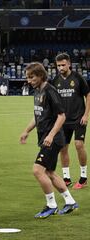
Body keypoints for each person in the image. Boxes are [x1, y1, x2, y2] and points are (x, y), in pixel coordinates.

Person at [20, 62, 78, 219]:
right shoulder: (37, 91)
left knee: (37, 170)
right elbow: (38, 115)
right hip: (46, 138)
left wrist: (51, 135)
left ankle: (51, 205)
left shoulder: (50, 90)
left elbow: (61, 116)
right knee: (49, 172)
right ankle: (70, 201)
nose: (29, 80)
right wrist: (26, 131)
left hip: (53, 139)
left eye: (31, 77)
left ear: (40, 76)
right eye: (27, 77)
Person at [51, 53, 90, 189]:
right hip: (63, 120)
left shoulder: (78, 78)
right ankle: (66, 178)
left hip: (79, 118)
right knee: (63, 148)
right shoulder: (55, 80)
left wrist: (86, 115)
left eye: (63, 65)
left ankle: (83, 178)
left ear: (69, 64)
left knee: (79, 145)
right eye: (58, 65)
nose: (61, 67)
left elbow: (88, 94)